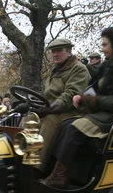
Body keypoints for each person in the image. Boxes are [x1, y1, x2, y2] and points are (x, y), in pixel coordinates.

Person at [44, 27, 113, 189]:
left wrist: (96, 101)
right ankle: (57, 171)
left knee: (74, 127)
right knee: (66, 123)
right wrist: (81, 97)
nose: (102, 49)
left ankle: (59, 176)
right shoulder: (109, 66)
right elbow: (95, 88)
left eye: (105, 45)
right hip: (102, 112)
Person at [33, 38, 90, 174]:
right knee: (30, 118)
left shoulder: (78, 69)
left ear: (69, 51)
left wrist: (49, 109)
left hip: (73, 112)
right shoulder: (56, 70)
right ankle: (21, 158)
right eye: (53, 52)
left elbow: (70, 96)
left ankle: (36, 169)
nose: (55, 55)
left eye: (58, 51)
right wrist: (35, 105)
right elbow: (46, 95)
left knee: (49, 120)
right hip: (55, 109)